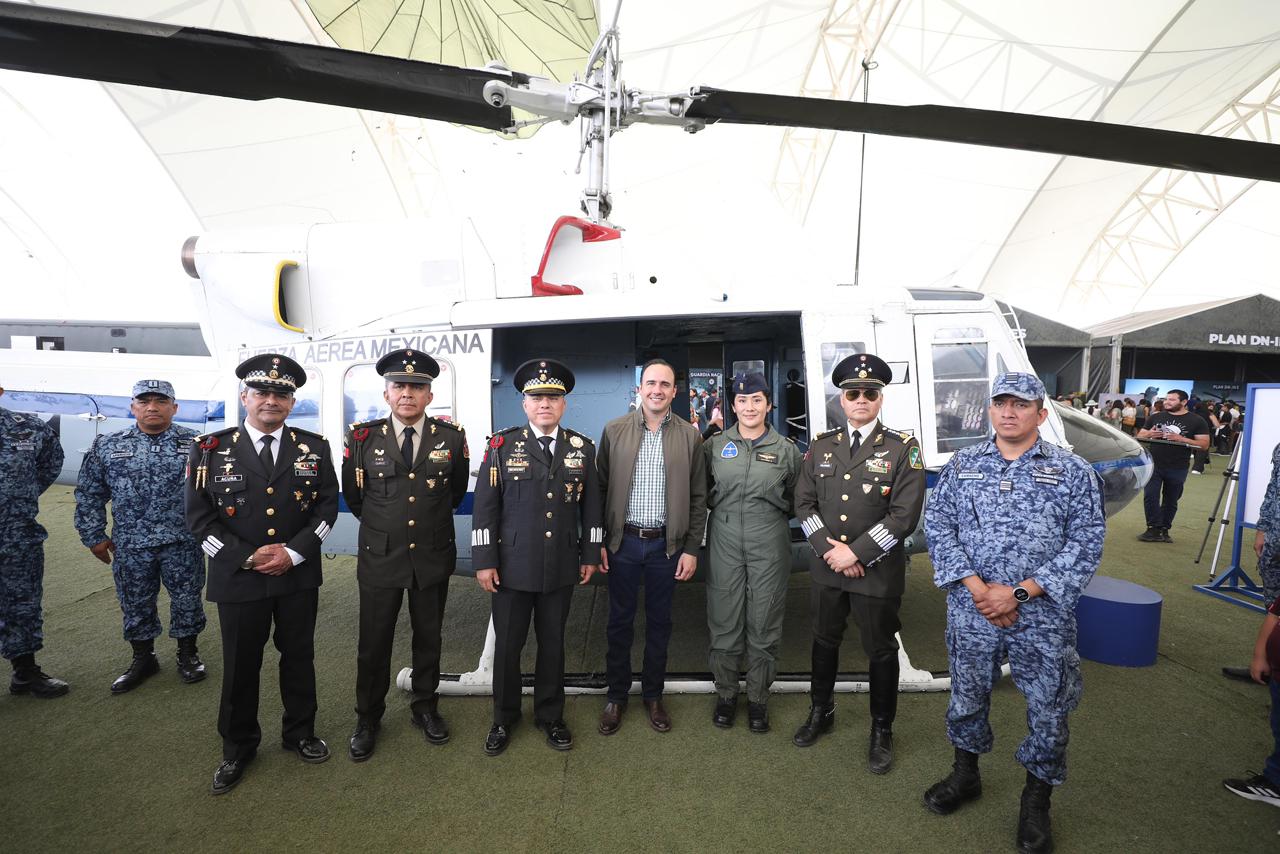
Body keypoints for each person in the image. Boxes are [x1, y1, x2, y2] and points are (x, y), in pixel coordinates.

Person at [922, 372, 1105, 854]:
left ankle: (1036, 802)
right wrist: (978, 588)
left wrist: (1018, 594)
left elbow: (1086, 543)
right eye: (1001, 402)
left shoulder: (1072, 472)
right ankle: (965, 776)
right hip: (972, 609)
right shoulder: (962, 466)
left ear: (1041, 414)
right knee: (967, 695)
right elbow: (938, 526)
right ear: (989, 410)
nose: (1009, 411)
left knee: (1049, 708)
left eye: (1021, 404)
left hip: (1041, 618)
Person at [185, 354, 339, 795]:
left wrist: (295, 552)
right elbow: (199, 519)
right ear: (244, 397)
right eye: (262, 393)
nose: (271, 400)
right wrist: (247, 558)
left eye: (281, 394)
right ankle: (237, 746)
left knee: (298, 657)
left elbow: (327, 508)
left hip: (296, 575)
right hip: (239, 577)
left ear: (291, 402)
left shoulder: (314, 447)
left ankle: (300, 734)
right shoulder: (211, 449)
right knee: (239, 665)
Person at [791, 353, 926, 775]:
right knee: (823, 640)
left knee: (880, 650)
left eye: (870, 393)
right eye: (853, 393)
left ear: (880, 399)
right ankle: (821, 712)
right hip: (827, 567)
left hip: (877, 571)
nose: (861, 399)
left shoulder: (903, 448)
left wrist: (858, 553)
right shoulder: (821, 445)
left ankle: (881, 728)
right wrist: (828, 549)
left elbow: (904, 516)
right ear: (843, 400)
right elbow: (804, 502)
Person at [341, 349, 470, 762]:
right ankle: (368, 717)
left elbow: (452, 494)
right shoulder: (362, 438)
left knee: (428, 638)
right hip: (380, 556)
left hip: (430, 555)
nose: (408, 394)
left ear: (430, 396)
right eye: (400, 386)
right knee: (373, 642)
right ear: (386, 393)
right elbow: (355, 498)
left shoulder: (451, 438)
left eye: (417, 387)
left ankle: (425, 707)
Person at [471, 359, 603, 755]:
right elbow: (485, 509)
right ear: (524, 404)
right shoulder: (501, 446)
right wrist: (484, 560)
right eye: (536, 397)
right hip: (511, 566)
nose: (544, 404)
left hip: (560, 564)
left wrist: (590, 553)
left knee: (553, 645)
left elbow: (591, 508)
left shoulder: (582, 447)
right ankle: (503, 718)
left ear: (564, 404)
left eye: (553, 397)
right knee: (509, 647)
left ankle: (550, 716)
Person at [74, 379, 207, 693]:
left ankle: (188, 654)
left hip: (182, 540)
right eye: (144, 401)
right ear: (132, 407)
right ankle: (143, 657)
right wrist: (93, 535)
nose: (152, 407)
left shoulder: (197, 444)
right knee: (135, 602)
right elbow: (90, 493)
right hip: (132, 544)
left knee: (187, 600)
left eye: (161, 401)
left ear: (174, 407)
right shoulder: (108, 444)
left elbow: (215, 492)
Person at [597, 358, 707, 736]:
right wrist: (598, 542)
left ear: (675, 391)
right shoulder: (613, 431)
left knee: (660, 624)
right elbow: (599, 490)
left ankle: (653, 695)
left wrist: (691, 547)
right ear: (639, 389)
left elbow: (698, 496)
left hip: (666, 547)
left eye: (665, 384)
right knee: (619, 623)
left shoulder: (691, 435)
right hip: (623, 544)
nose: (657, 390)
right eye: (651, 383)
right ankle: (616, 696)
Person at [702, 372, 802, 732]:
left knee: (764, 620)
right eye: (742, 401)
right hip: (724, 536)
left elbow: (798, 499)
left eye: (757, 400)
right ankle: (726, 694)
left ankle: (758, 699)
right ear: (733, 405)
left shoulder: (787, 450)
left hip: (769, 537)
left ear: (768, 404)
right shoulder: (714, 446)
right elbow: (702, 491)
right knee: (724, 618)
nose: (749, 407)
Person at [0, 383, 68, 698]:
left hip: (17, 533)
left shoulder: (27, 428)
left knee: (23, 604)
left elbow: (52, 462)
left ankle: (25, 672)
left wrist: (21, 497)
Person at [1223, 442, 1280, 808]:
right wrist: (1264, 528)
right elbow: (1275, 486)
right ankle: (1270, 666)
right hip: (1276, 540)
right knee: (1273, 606)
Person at [1135, 389, 1210, 543]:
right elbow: (1140, 436)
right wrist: (1150, 434)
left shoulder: (1197, 420)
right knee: (1150, 496)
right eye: (1166, 399)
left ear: (1183, 402)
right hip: (1154, 464)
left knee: (1171, 499)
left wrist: (1181, 439)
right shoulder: (1156, 417)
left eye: (1172, 400)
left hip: (1178, 466)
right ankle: (1153, 528)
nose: (1167, 402)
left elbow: (1204, 445)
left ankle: (1164, 529)